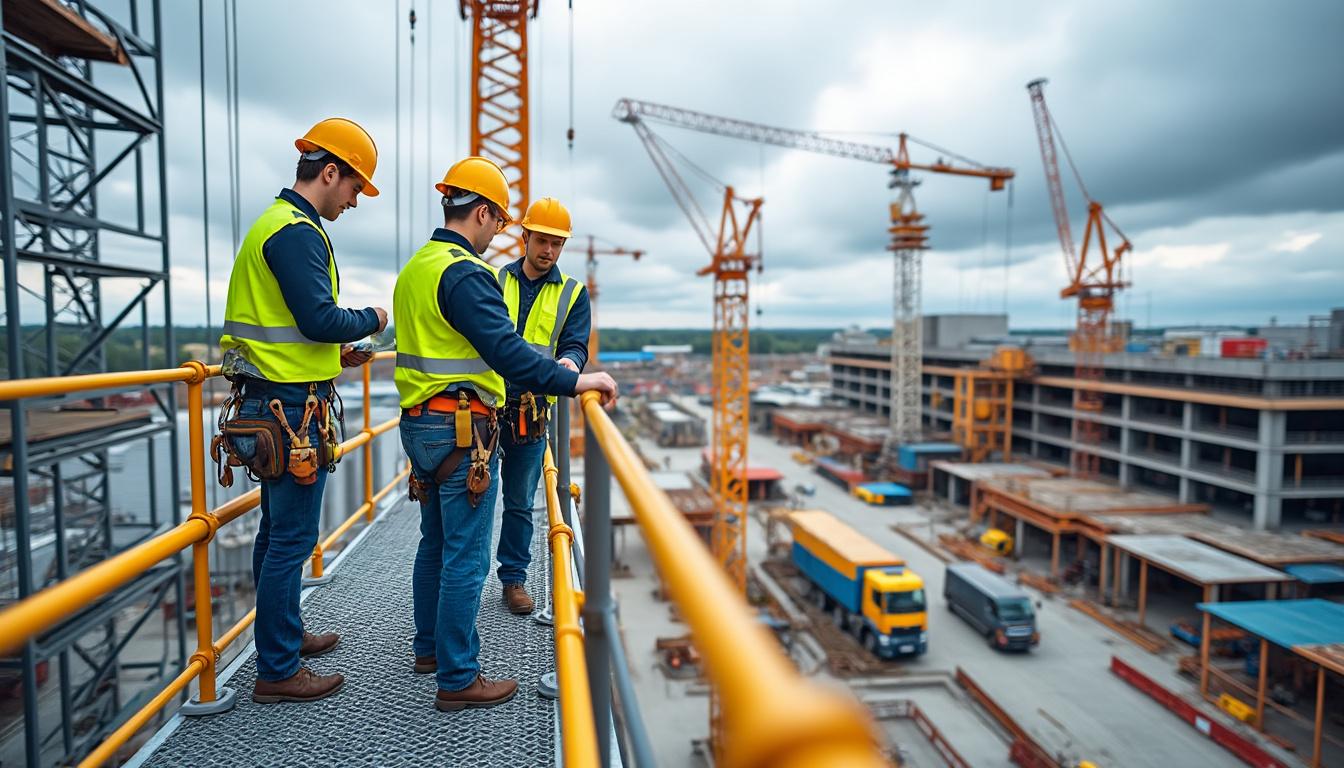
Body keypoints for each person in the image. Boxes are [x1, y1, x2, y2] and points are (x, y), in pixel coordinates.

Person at [393, 156, 617, 711]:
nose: (502, 235)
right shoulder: (471, 273)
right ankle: (458, 677)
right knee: (465, 556)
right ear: (488, 214)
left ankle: (429, 651)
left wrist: (567, 362)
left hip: (421, 422)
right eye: (505, 224)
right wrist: (577, 381)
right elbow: (507, 352)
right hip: (462, 426)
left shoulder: (418, 265)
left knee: (437, 543)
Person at [218, 117, 387, 704]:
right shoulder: (295, 231)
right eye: (353, 188)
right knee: (290, 538)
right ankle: (279, 669)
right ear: (331, 171)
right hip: (288, 410)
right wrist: (371, 318)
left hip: (275, 398)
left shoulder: (279, 224)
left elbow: (294, 330)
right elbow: (319, 317)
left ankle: (281, 639)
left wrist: (331, 352)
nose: (354, 201)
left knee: (276, 534)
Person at [493, 197, 589, 615]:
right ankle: (464, 581)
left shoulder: (573, 294)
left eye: (557, 244)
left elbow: (574, 343)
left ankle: (513, 579)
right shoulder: (495, 280)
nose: (548, 250)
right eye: (542, 240)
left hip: (530, 410)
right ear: (524, 236)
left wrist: (571, 362)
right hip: (484, 403)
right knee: (473, 496)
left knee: (518, 501)